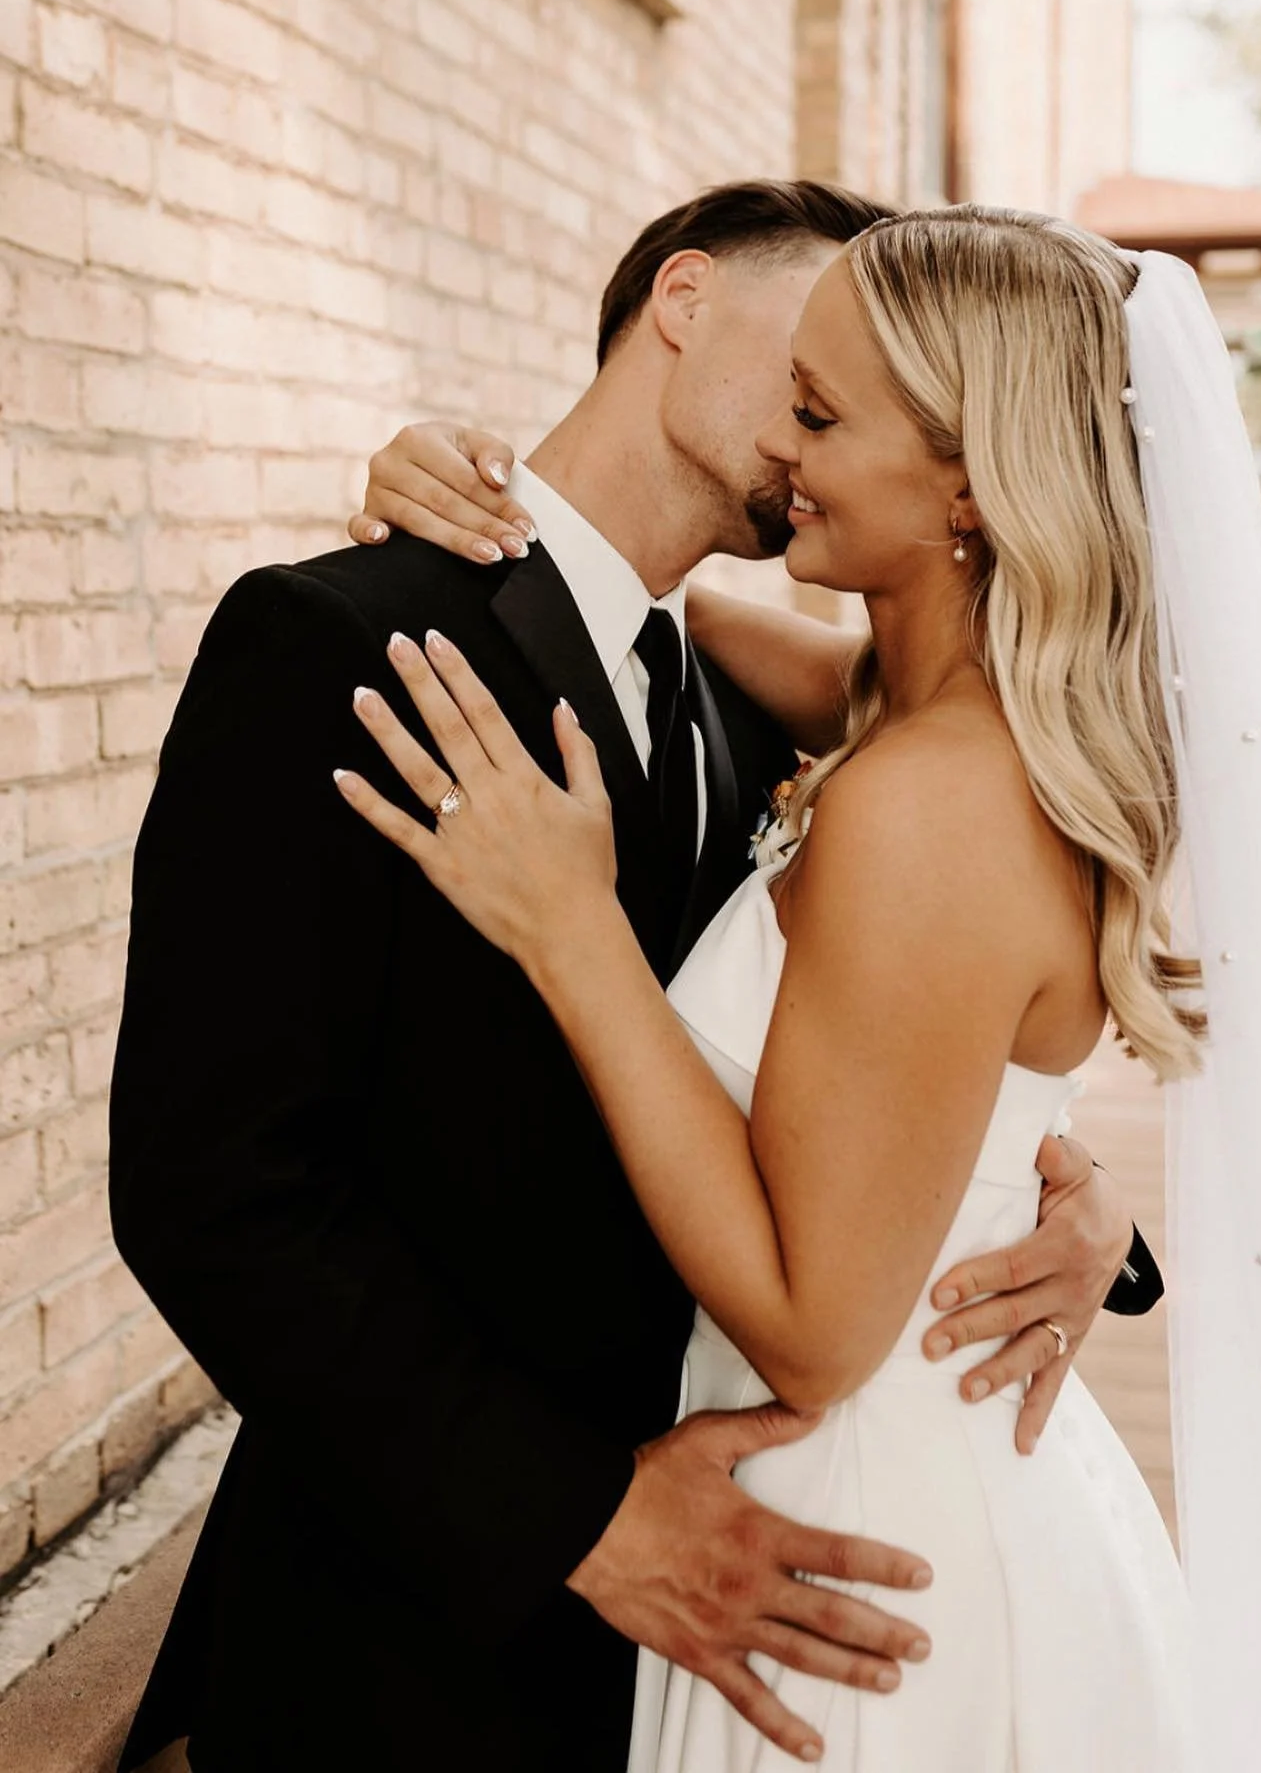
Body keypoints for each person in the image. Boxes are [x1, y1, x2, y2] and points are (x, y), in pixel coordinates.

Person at [344, 203, 1261, 1771]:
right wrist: (487, 500)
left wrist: (572, 933)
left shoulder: (926, 800)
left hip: (855, 1528)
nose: (785, 452)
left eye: (823, 413)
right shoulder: (894, 714)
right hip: (895, 1493)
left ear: (972, 481)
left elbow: (813, 1328)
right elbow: (656, 625)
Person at [107, 183, 1148, 1773]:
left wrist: (1083, 1224)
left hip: (772, 1616)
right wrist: (578, 1525)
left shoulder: (768, 714)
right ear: (681, 300)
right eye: (801, 373)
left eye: (839, 394)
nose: (806, 432)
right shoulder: (340, 645)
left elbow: (909, 1053)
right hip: (422, 1645)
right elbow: (212, 1189)